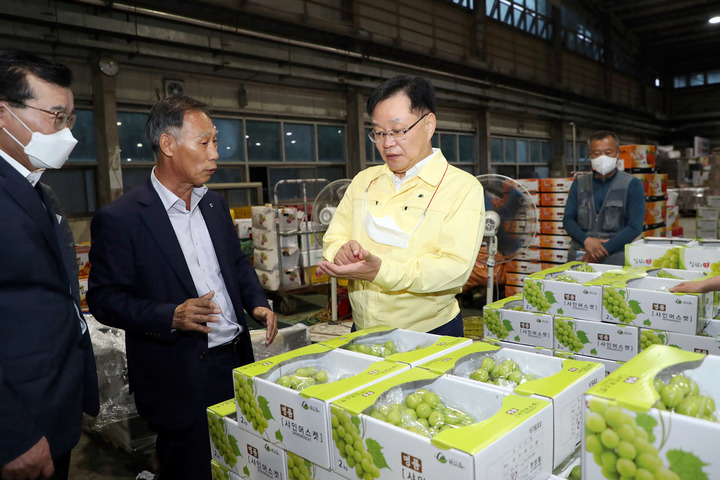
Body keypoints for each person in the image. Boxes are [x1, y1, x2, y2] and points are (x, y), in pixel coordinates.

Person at [87, 95, 278, 480]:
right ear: (168, 145)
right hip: (179, 375)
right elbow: (104, 300)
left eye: (216, 143)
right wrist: (169, 316)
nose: (215, 156)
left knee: (240, 464)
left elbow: (235, 265)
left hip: (234, 362)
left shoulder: (214, 205)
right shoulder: (121, 219)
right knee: (189, 468)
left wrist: (256, 302)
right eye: (204, 142)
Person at [317, 75, 485, 335]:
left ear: (428, 125)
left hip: (429, 332)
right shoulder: (364, 182)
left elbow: (454, 269)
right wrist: (341, 252)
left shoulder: (462, 188)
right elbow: (333, 238)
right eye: (379, 133)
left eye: (398, 131)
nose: (387, 143)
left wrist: (381, 271)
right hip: (363, 329)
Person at [0, 49, 99, 480]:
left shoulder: (34, 188)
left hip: (50, 405)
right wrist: (11, 434)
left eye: (70, 119)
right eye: (55, 117)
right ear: (4, 114)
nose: (66, 133)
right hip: (18, 422)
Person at [563, 130, 645, 265]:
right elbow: (568, 220)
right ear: (590, 155)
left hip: (615, 257)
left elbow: (634, 227)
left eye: (608, 153)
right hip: (580, 254)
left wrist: (601, 250)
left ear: (618, 153)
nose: (602, 157)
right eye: (596, 153)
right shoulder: (579, 183)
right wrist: (586, 240)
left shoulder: (632, 185)